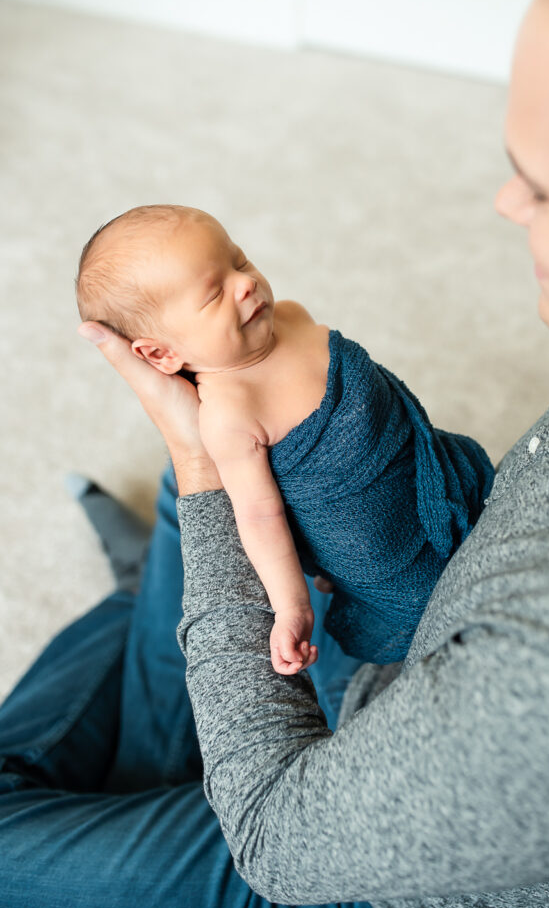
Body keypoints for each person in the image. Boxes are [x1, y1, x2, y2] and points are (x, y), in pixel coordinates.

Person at [1, 0, 549, 908]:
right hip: (430, 625)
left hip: (374, 879)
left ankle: (151, 599)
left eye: (542, 184)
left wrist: (198, 462)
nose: (505, 202)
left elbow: (276, 840)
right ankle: (162, 602)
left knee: (207, 517)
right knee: (212, 522)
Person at [75, 206, 493, 672]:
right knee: (425, 597)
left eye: (240, 260)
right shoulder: (229, 414)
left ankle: (139, 585)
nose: (246, 283)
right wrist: (292, 606)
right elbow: (259, 515)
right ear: (160, 353)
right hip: (383, 554)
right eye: (214, 293)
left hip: (426, 468)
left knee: (481, 495)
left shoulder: (292, 317)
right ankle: (142, 590)